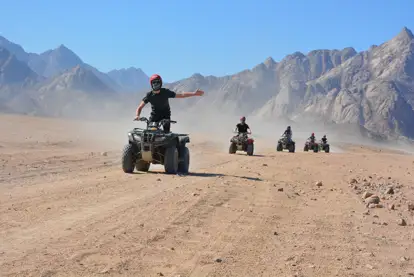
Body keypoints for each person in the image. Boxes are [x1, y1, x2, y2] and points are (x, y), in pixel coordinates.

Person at [134, 74, 204, 133]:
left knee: (166, 135)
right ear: (151, 84)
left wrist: (194, 93)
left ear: (160, 83)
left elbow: (181, 95)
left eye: (157, 82)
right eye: (154, 83)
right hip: (154, 116)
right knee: (149, 133)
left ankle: (170, 149)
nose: (156, 84)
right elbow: (140, 107)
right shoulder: (149, 95)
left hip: (165, 116)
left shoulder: (165, 92)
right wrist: (137, 115)